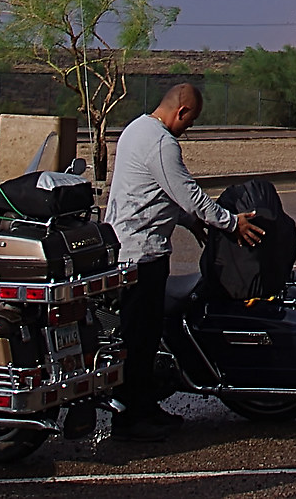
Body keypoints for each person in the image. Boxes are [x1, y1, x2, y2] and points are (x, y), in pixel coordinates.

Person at [106, 82, 263, 440]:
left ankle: (145, 406)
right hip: (140, 253)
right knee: (138, 337)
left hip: (134, 246)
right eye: (189, 123)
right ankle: (129, 418)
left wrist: (190, 223)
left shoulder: (136, 129)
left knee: (148, 333)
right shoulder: (162, 143)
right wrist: (230, 222)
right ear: (182, 111)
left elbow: (154, 194)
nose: (187, 129)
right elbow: (188, 193)